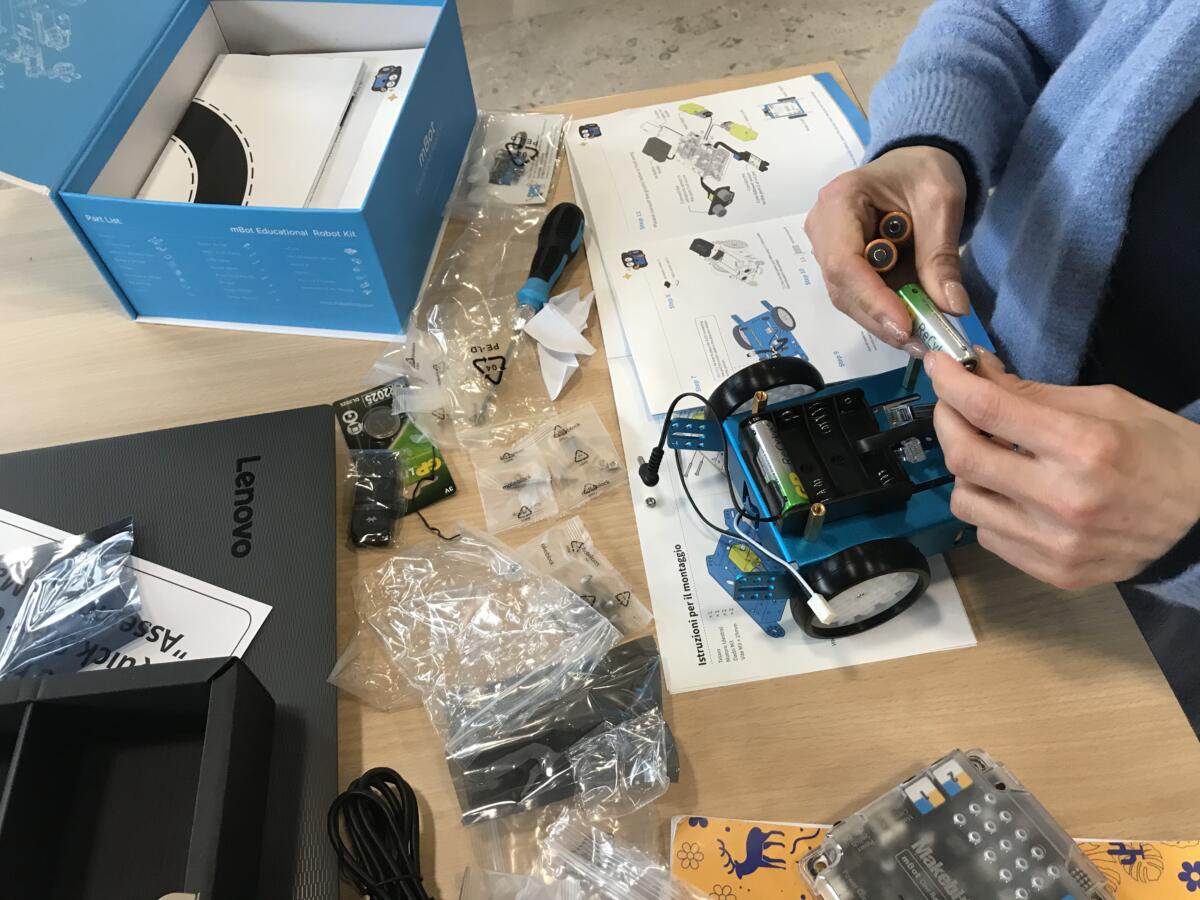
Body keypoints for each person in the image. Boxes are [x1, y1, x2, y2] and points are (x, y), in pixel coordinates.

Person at [805, 1, 1200, 611]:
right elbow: (1008, 16)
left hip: (1155, 581)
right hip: (976, 348)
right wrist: (927, 142)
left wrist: (1190, 535)